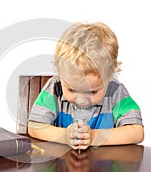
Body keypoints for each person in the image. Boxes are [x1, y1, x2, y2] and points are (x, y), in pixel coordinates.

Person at [28, 22, 144, 150]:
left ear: (110, 76)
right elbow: (34, 126)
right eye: (71, 90)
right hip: (61, 167)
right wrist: (65, 136)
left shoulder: (115, 92)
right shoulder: (55, 87)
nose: (81, 100)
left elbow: (137, 132)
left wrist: (94, 137)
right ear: (60, 74)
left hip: (105, 168)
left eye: (92, 92)